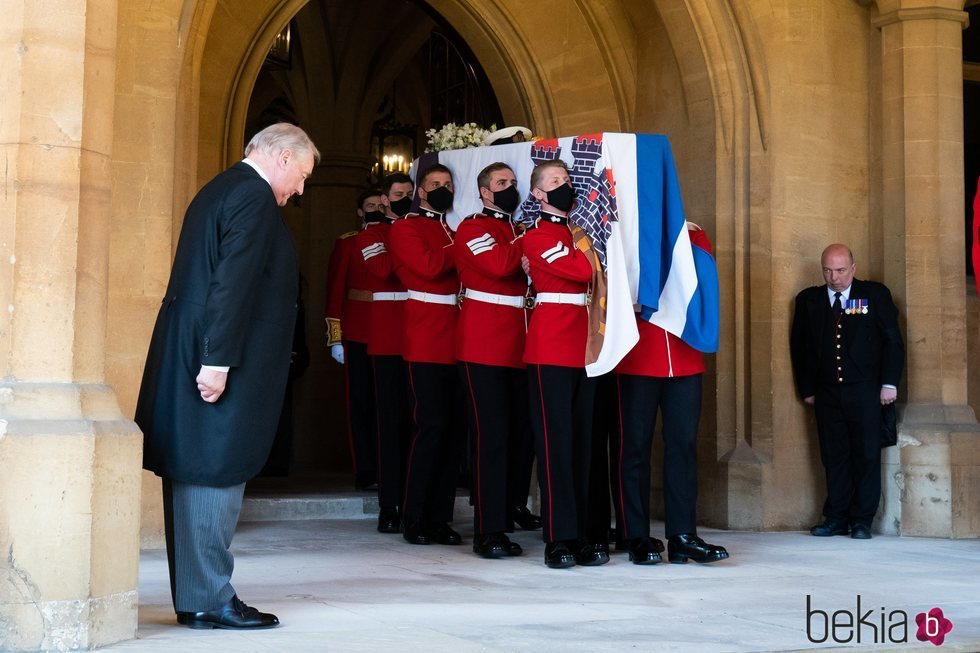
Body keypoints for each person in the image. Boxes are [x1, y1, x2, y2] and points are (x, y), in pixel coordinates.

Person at [136, 122, 319, 629]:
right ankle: (210, 598)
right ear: (282, 157)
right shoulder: (253, 195)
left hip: (194, 346)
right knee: (213, 466)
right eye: (301, 175)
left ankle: (200, 597)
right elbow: (231, 283)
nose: (300, 190)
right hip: (213, 356)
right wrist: (216, 361)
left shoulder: (223, 187)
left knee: (197, 466)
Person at [614, 223, 729, 565]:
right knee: (632, 448)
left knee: (683, 446)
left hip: (683, 353)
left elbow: (701, 279)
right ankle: (633, 534)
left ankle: (682, 534)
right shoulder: (626, 233)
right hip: (637, 354)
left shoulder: (691, 234)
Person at [790, 243, 905, 540]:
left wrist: (889, 383)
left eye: (841, 270)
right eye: (828, 270)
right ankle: (836, 517)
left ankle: (861, 520)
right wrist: (807, 389)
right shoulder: (809, 300)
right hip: (827, 393)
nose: (834, 277)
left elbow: (892, 340)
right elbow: (799, 348)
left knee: (866, 455)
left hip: (866, 391)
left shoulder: (874, 294)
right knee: (834, 455)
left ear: (853, 268)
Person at [522, 159, 601, 568]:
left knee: (582, 444)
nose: (563, 186)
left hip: (582, 344)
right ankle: (558, 537)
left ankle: (583, 534)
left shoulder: (578, 233)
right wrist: (590, 256)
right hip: (551, 345)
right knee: (555, 445)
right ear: (537, 194)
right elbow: (582, 270)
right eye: (554, 182)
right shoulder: (536, 236)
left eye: (567, 180)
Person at [455, 162, 535, 558]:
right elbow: (501, 266)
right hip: (484, 346)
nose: (510, 189)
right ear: (485, 191)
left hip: (521, 345)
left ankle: (511, 511)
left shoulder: (516, 230)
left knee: (521, 437)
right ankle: (488, 530)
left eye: (514, 183)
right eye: (502, 184)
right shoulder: (472, 228)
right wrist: (527, 239)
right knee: (492, 438)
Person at [387, 163, 464, 546]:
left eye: (448, 185)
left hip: (457, 335)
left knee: (452, 433)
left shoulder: (451, 229)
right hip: (427, 336)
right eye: (436, 185)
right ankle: (413, 515)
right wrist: (464, 247)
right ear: (421, 192)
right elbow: (431, 268)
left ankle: (439, 518)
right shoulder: (406, 228)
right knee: (430, 427)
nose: (443, 190)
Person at [356, 173, 414, 533]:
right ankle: (390, 503)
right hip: (390, 336)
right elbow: (383, 271)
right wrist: (408, 241)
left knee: (420, 424)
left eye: (410, 194)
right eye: (398, 195)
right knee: (391, 424)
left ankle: (415, 499)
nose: (404, 198)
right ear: (386, 199)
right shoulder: (371, 234)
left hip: (422, 333)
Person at [324, 191, 380, 491]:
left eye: (380, 205)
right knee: (360, 402)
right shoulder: (348, 242)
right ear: (360, 212)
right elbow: (335, 290)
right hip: (357, 330)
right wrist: (336, 337)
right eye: (370, 206)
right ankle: (366, 467)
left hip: (391, 329)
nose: (377, 209)